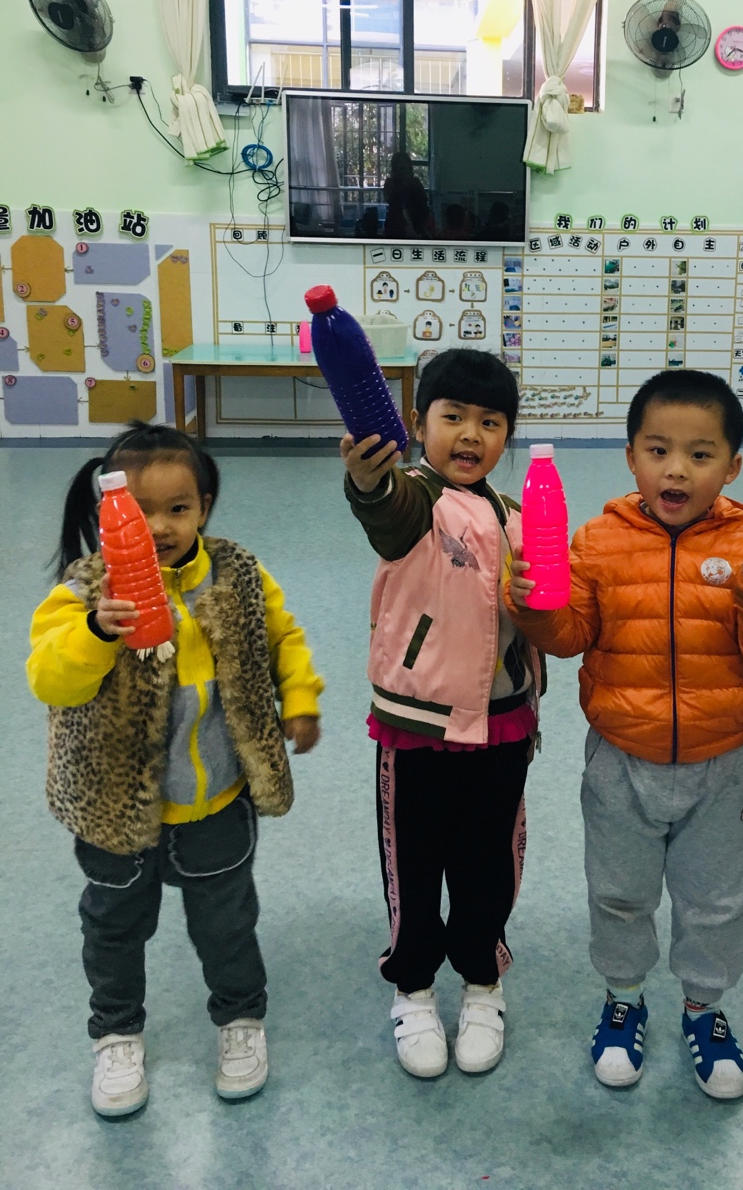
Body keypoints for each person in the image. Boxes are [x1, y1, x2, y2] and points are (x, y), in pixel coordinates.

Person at [507, 369, 743, 1099]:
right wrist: (532, 605)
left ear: (732, 467)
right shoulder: (597, 541)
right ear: (631, 456)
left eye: (701, 455)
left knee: (717, 900)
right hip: (620, 761)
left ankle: (704, 1010)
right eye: (658, 450)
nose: (677, 470)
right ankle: (624, 999)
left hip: (723, 763)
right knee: (618, 893)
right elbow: (569, 636)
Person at [27, 422, 323, 1118]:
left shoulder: (236, 574)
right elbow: (49, 678)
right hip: (115, 810)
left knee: (227, 922)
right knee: (113, 925)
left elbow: (282, 635)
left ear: (204, 508)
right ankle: (116, 1032)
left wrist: (300, 698)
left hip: (214, 801)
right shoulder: (84, 593)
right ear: (109, 513)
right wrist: (98, 632)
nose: (159, 526)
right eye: (139, 511)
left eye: (178, 508)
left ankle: (240, 1017)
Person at [341, 349, 540, 1080]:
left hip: (503, 722)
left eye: (490, 422)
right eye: (452, 416)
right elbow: (385, 510)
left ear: (506, 435)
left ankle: (482, 981)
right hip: (418, 723)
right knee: (415, 863)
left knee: (490, 863)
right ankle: (414, 987)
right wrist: (368, 480)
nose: (470, 434)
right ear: (419, 422)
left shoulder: (515, 514)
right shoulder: (415, 497)